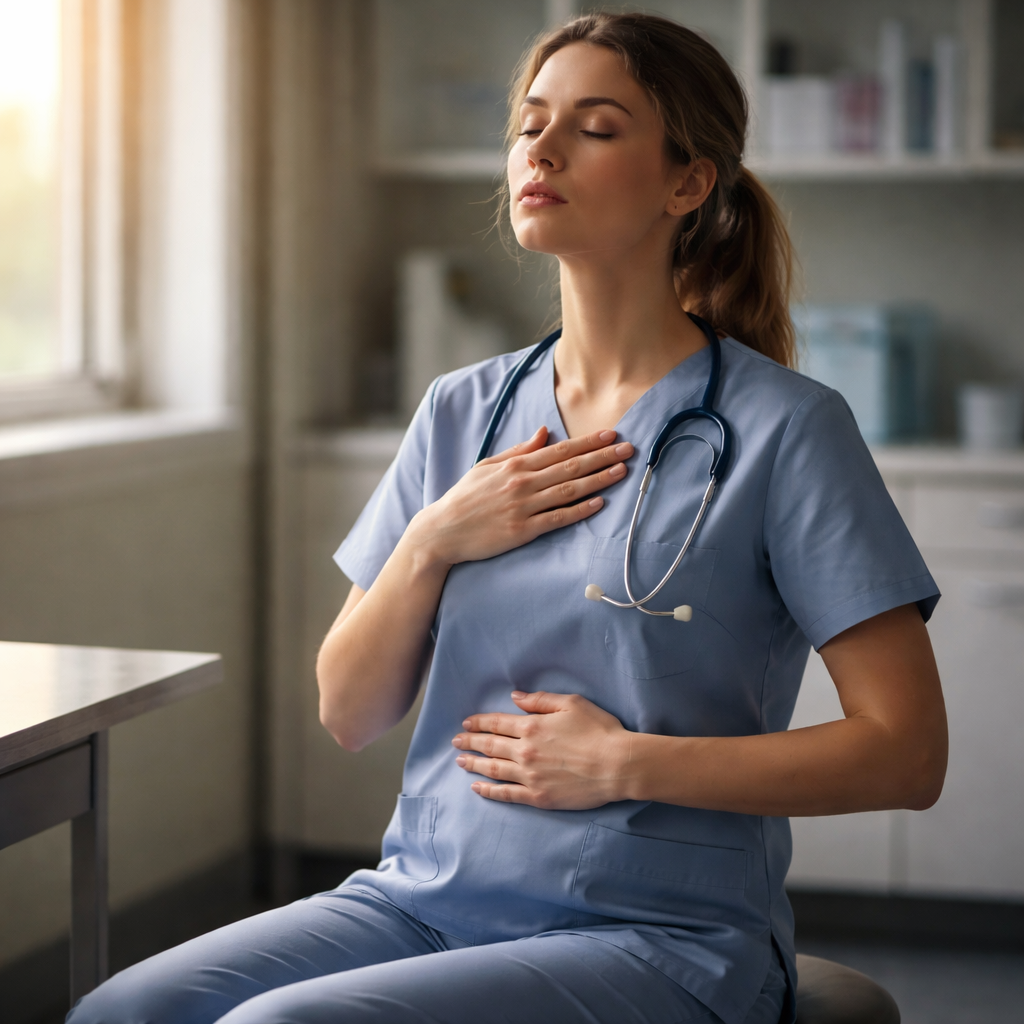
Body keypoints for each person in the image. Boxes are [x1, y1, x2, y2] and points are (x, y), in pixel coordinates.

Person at [68, 12, 947, 1024]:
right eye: (530, 124)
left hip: (657, 933)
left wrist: (622, 762)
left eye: (597, 126)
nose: (543, 147)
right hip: (426, 898)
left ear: (687, 182)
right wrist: (435, 536)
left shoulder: (784, 429)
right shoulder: (463, 409)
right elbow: (348, 711)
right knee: (119, 1014)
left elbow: (906, 751)